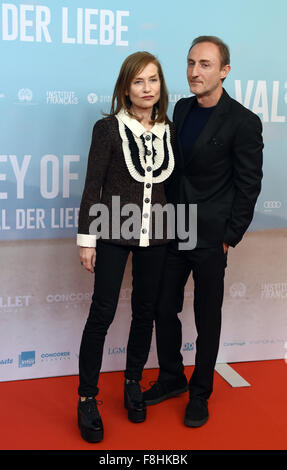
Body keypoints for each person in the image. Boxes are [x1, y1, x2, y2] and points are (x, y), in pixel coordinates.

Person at [143, 36, 264, 427]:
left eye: (206, 65)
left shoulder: (244, 121)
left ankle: (200, 393)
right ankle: (172, 377)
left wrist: (232, 234)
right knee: (164, 307)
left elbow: (249, 184)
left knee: (207, 315)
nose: (195, 71)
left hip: (212, 235)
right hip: (173, 228)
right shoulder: (180, 108)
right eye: (191, 62)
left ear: (225, 71)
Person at [76, 51, 175, 443]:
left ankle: (133, 380)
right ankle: (86, 398)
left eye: (153, 80)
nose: (147, 88)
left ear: (160, 85)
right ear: (126, 87)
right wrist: (87, 240)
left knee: (145, 311)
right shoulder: (107, 128)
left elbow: (172, 186)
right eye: (138, 81)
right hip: (113, 232)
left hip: (160, 235)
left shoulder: (169, 127)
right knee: (101, 313)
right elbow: (92, 187)